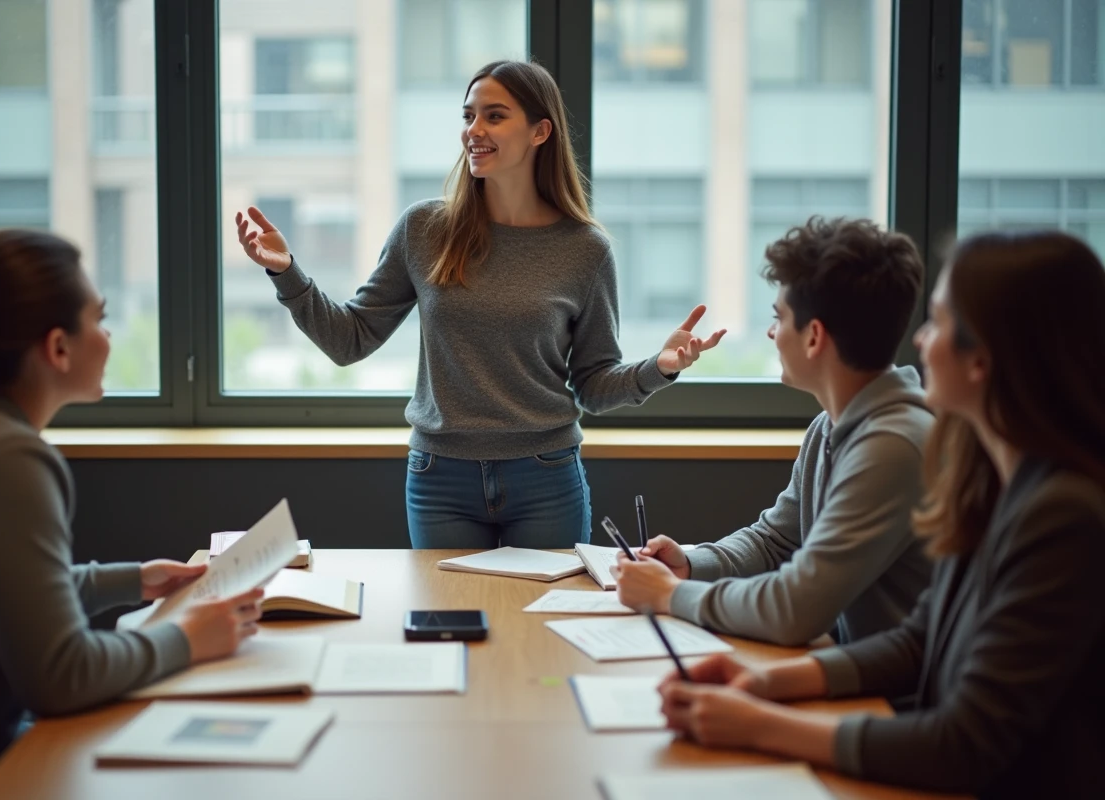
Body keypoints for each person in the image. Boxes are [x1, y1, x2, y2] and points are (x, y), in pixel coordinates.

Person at [655, 230, 1105, 798]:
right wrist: (765, 683)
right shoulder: (993, 478)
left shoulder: (1064, 515)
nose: (919, 339)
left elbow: (964, 745)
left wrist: (760, 724)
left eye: (938, 323)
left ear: (985, 359)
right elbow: (922, 639)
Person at [234, 60, 724, 549]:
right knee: (452, 624)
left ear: (540, 132)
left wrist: (659, 368)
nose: (474, 130)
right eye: (468, 116)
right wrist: (286, 273)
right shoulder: (424, 230)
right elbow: (350, 340)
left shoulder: (586, 250)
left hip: (546, 478)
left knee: (540, 624)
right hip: (439, 479)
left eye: (494, 116)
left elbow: (593, 386)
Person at [0, 230, 263, 800]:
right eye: (98, 319)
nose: (109, 335)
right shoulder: (5, 459)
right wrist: (186, 638)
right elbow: (60, 675)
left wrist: (129, 581)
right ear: (58, 347)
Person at [613, 217, 932, 646]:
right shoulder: (833, 424)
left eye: (778, 318)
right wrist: (691, 564)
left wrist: (672, 594)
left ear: (814, 337)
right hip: (846, 669)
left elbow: (794, 610)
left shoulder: (893, 446)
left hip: (890, 696)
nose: (771, 332)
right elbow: (777, 541)